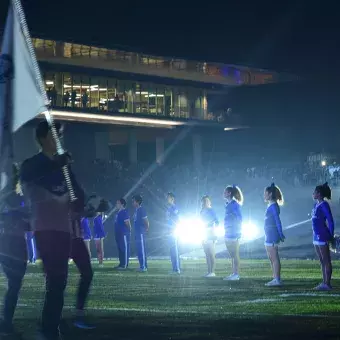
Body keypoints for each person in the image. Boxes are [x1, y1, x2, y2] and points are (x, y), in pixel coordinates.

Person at [20, 120, 91, 339]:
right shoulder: (34, 164)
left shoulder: (64, 168)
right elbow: (29, 176)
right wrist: (56, 164)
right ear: (43, 138)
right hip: (45, 228)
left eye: (60, 135)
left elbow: (78, 195)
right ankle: (49, 328)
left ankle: (50, 327)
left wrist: (84, 203)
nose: (59, 140)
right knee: (56, 279)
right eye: (54, 135)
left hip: (64, 229)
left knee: (60, 282)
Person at [0, 164, 30, 336]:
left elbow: (28, 222)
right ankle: (7, 321)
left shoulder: (19, 198)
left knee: (14, 285)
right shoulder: (14, 198)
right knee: (14, 285)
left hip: (14, 245)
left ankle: (7, 321)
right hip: (11, 245)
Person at [312, 182, 334, 291]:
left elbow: (330, 221)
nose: (313, 194)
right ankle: (324, 282)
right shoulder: (316, 204)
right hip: (316, 236)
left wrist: (330, 235)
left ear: (319, 194)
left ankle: (327, 283)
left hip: (322, 235)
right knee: (321, 261)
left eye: (315, 192)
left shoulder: (324, 205)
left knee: (326, 260)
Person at [263, 183, 285, 287]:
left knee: (274, 257)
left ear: (270, 194)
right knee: (271, 257)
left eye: (266, 193)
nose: (264, 195)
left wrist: (280, 234)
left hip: (272, 235)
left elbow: (277, 221)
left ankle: (277, 279)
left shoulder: (274, 206)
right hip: (268, 235)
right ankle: (275, 277)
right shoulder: (270, 206)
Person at [223, 185, 243, 281]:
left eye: (225, 192)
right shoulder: (228, 204)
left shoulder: (234, 204)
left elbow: (239, 217)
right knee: (232, 254)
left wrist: (237, 230)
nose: (224, 193)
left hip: (234, 232)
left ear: (229, 193)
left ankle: (236, 274)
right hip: (228, 232)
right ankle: (233, 273)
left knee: (235, 254)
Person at [200, 195, 219, 277]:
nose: (205, 203)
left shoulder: (212, 211)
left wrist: (213, 231)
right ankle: (209, 271)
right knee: (207, 253)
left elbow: (217, 222)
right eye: (204, 201)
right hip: (203, 233)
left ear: (210, 202)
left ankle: (212, 272)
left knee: (211, 253)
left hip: (211, 233)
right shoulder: (201, 211)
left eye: (207, 201)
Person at [132, 194, 149, 272]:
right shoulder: (136, 210)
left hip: (140, 232)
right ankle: (143, 265)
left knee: (141, 249)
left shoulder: (141, 210)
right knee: (139, 249)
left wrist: (145, 229)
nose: (133, 202)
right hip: (137, 232)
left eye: (134, 201)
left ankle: (143, 267)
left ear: (138, 202)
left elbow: (146, 221)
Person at [114, 198, 131, 269]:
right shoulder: (118, 213)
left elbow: (128, 223)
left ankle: (124, 264)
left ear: (122, 204)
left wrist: (129, 231)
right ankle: (121, 263)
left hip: (123, 234)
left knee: (124, 249)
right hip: (118, 234)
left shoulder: (124, 212)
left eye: (118, 203)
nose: (116, 204)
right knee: (120, 249)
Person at [166, 192, 180, 274]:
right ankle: (175, 268)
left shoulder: (174, 208)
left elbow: (176, 219)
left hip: (173, 230)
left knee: (174, 249)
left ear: (172, 199)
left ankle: (176, 269)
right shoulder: (169, 208)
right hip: (169, 230)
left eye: (168, 197)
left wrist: (173, 228)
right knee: (172, 249)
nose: (167, 199)